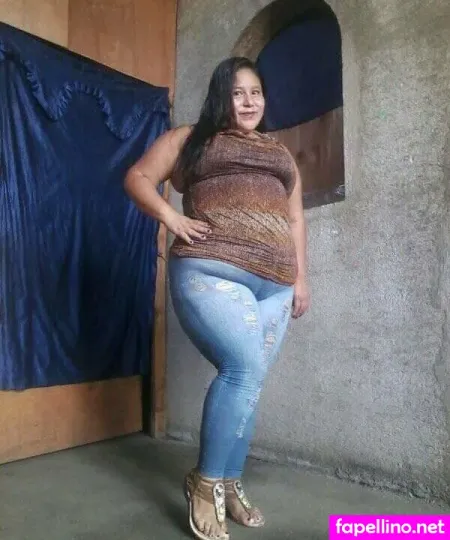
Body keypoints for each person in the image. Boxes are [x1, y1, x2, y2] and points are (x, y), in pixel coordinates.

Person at [124, 56, 310, 540]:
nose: (249, 102)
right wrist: (172, 218)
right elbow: (137, 177)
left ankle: (228, 481)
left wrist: (302, 278)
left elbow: (294, 219)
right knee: (243, 369)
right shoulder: (192, 139)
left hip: (276, 286)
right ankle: (205, 484)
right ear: (221, 96)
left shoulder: (280, 153)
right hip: (210, 271)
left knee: (251, 383)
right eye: (238, 92)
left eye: (256, 93)